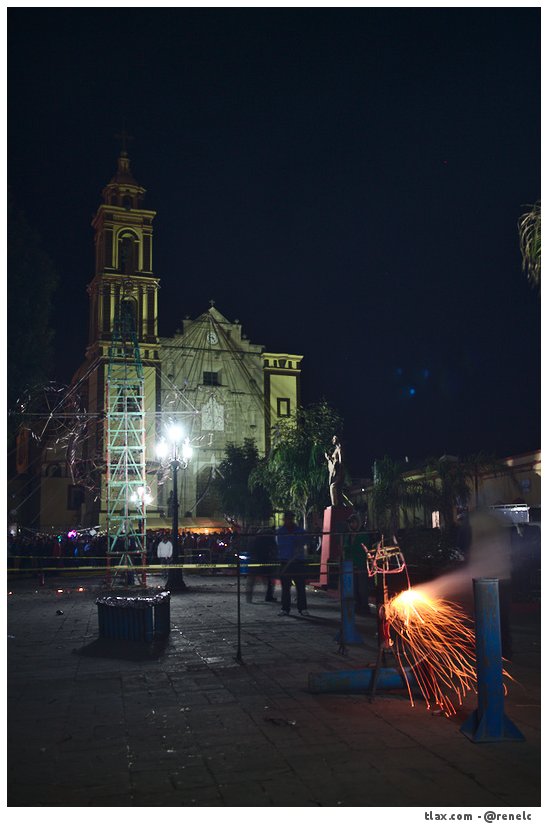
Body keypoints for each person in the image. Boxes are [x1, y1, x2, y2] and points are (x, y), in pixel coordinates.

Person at [275, 511, 309, 616]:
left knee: (300, 587)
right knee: (285, 587)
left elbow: (305, 541)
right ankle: (285, 608)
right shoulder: (280, 532)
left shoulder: (300, 531)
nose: (289, 521)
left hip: (298, 562)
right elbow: (280, 545)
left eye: (290, 518)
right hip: (285, 562)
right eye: (287, 518)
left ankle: (302, 608)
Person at [343, 513, 372, 614]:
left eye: (353, 522)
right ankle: (357, 605)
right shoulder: (348, 535)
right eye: (350, 523)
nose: (351, 525)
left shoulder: (363, 535)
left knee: (362, 587)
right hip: (350, 564)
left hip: (361, 563)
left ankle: (364, 606)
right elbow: (345, 548)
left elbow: (362, 549)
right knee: (354, 586)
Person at [246, 527, 278, 603]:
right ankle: (269, 596)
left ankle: (249, 598)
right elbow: (274, 549)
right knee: (268, 581)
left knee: (251, 581)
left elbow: (250, 549)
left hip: (254, 561)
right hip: (265, 561)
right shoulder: (270, 539)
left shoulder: (255, 539)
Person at [325, 435, 345, 506]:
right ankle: (339, 504)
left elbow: (340, 461)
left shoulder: (339, 449)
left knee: (333, 487)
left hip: (338, 472)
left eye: (334, 438)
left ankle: (335, 504)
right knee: (338, 489)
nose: (333, 440)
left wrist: (331, 459)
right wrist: (329, 458)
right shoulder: (335, 450)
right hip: (334, 473)